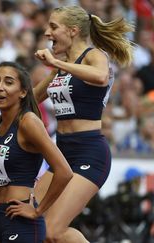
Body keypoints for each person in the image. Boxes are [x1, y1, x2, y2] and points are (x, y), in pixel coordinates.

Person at [32, 6, 134, 242]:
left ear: (73, 31)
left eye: (53, 27)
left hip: (89, 155)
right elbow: (33, 99)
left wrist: (58, 65)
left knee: (53, 231)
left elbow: (100, 76)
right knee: (28, 220)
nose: (47, 33)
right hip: (62, 155)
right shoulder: (63, 64)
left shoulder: (93, 55)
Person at [0, 61, 72, 242]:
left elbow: (64, 171)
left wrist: (38, 210)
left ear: (23, 92)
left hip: (20, 218)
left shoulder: (28, 122)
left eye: (8, 82)